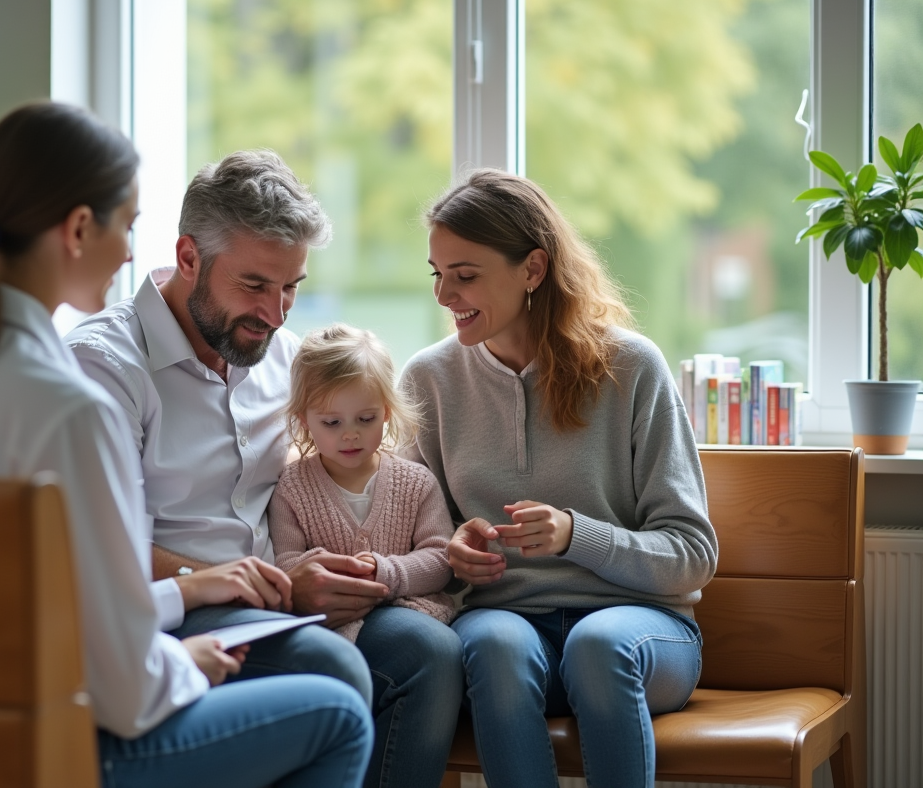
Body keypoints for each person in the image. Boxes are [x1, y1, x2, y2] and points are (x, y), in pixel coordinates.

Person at [0, 103, 372, 788]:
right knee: (337, 712)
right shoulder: (72, 406)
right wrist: (191, 661)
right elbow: (127, 692)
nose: (129, 251)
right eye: (126, 225)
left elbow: (48, 598)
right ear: (78, 229)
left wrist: (185, 600)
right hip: (48, 742)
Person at [66, 150, 465, 788]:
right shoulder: (104, 369)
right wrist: (255, 583)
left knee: (431, 654)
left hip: (282, 595)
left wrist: (351, 568)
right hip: (176, 606)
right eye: (255, 285)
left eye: (292, 288)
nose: (277, 314)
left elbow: (350, 460)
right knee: (331, 671)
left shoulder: (279, 360)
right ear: (188, 256)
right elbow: (100, 547)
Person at [400, 169, 719, 788]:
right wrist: (453, 552)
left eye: (465, 276)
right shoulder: (428, 382)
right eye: (437, 273)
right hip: (509, 632)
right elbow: (418, 543)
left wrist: (577, 534)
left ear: (533, 270)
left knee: (598, 646)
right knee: (491, 645)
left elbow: (693, 555)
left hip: (641, 634)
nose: (444, 294)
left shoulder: (631, 367)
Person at [269, 323, 457, 643]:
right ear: (304, 419)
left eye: (366, 419)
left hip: (411, 614)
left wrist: (384, 573)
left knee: (433, 647)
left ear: (385, 412)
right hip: (328, 628)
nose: (350, 434)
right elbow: (286, 564)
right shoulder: (292, 489)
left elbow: (441, 558)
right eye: (332, 422)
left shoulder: (417, 483)